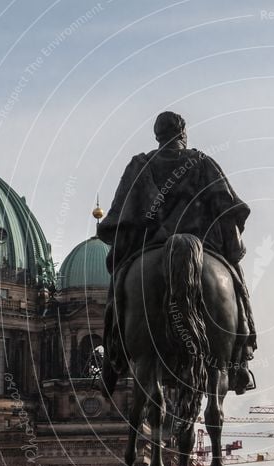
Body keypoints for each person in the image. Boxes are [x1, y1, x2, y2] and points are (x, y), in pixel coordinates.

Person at [97, 111, 257, 393]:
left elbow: (120, 219)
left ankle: (111, 359)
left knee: (118, 288)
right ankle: (241, 363)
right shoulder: (203, 163)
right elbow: (227, 208)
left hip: (151, 246)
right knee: (238, 289)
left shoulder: (139, 165)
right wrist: (234, 250)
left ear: (157, 136)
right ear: (183, 133)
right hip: (202, 247)